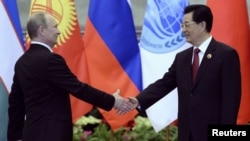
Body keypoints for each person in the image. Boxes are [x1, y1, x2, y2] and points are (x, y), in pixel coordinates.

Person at [7, 12, 132, 141]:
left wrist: (15, 137)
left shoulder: (21, 62)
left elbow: (16, 104)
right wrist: (112, 101)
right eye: (55, 27)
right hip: (52, 134)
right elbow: (79, 89)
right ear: (42, 30)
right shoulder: (50, 60)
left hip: (30, 134)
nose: (59, 31)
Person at [128, 4, 241, 141]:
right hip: (186, 134)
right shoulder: (182, 58)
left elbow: (231, 100)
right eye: (182, 25)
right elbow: (164, 84)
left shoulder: (225, 55)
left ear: (202, 25)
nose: (183, 30)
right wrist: (138, 100)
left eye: (187, 25)